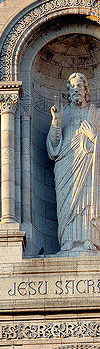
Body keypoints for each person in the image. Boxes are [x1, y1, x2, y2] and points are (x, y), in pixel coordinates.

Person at [47, 72, 100, 252]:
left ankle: (89, 239)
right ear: (68, 92)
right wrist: (56, 123)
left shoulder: (96, 113)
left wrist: (94, 137)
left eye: (80, 85)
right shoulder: (63, 113)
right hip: (66, 165)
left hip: (90, 163)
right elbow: (52, 147)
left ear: (86, 89)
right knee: (67, 202)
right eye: (73, 87)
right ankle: (67, 239)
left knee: (87, 199)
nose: (76, 89)